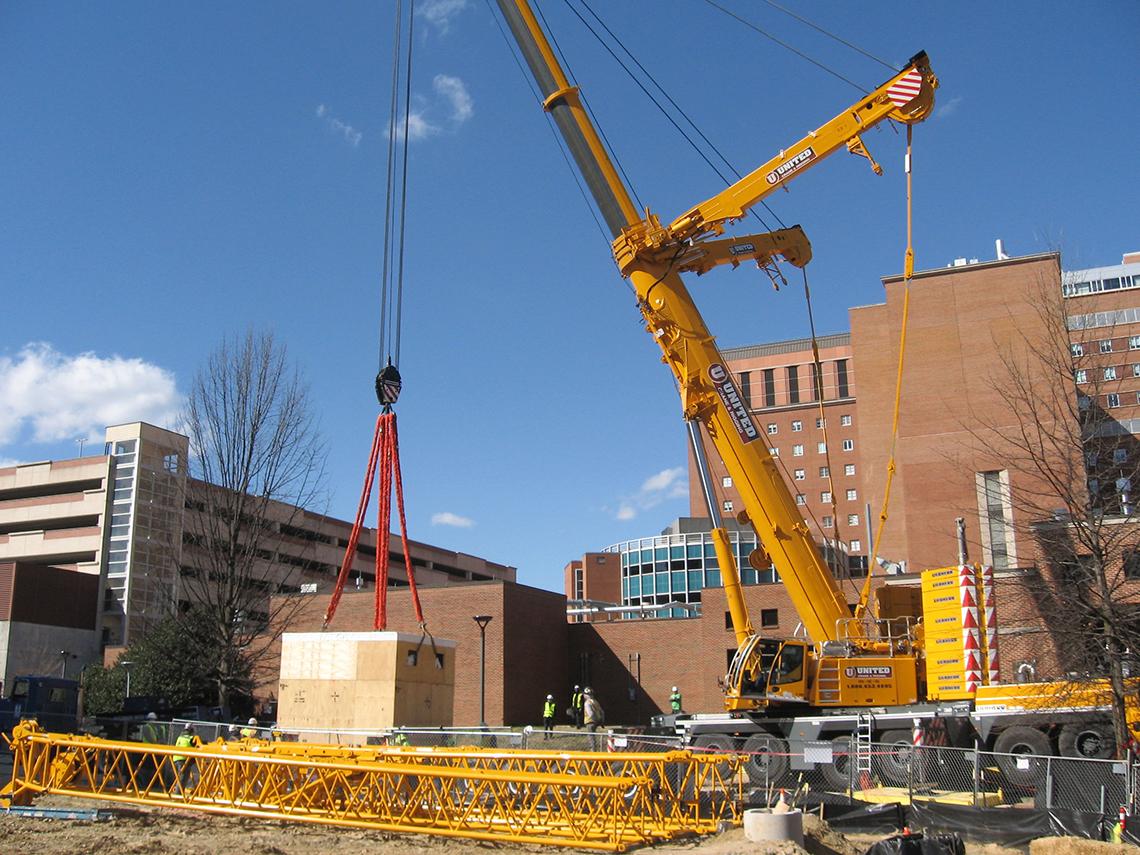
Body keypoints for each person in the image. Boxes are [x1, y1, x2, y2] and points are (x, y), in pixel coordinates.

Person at [173, 724, 202, 792]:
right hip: (184, 760)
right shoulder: (191, 738)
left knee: (181, 777)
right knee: (183, 778)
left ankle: (178, 793)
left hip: (176, 758)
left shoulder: (180, 737)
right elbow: (198, 746)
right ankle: (177, 794)